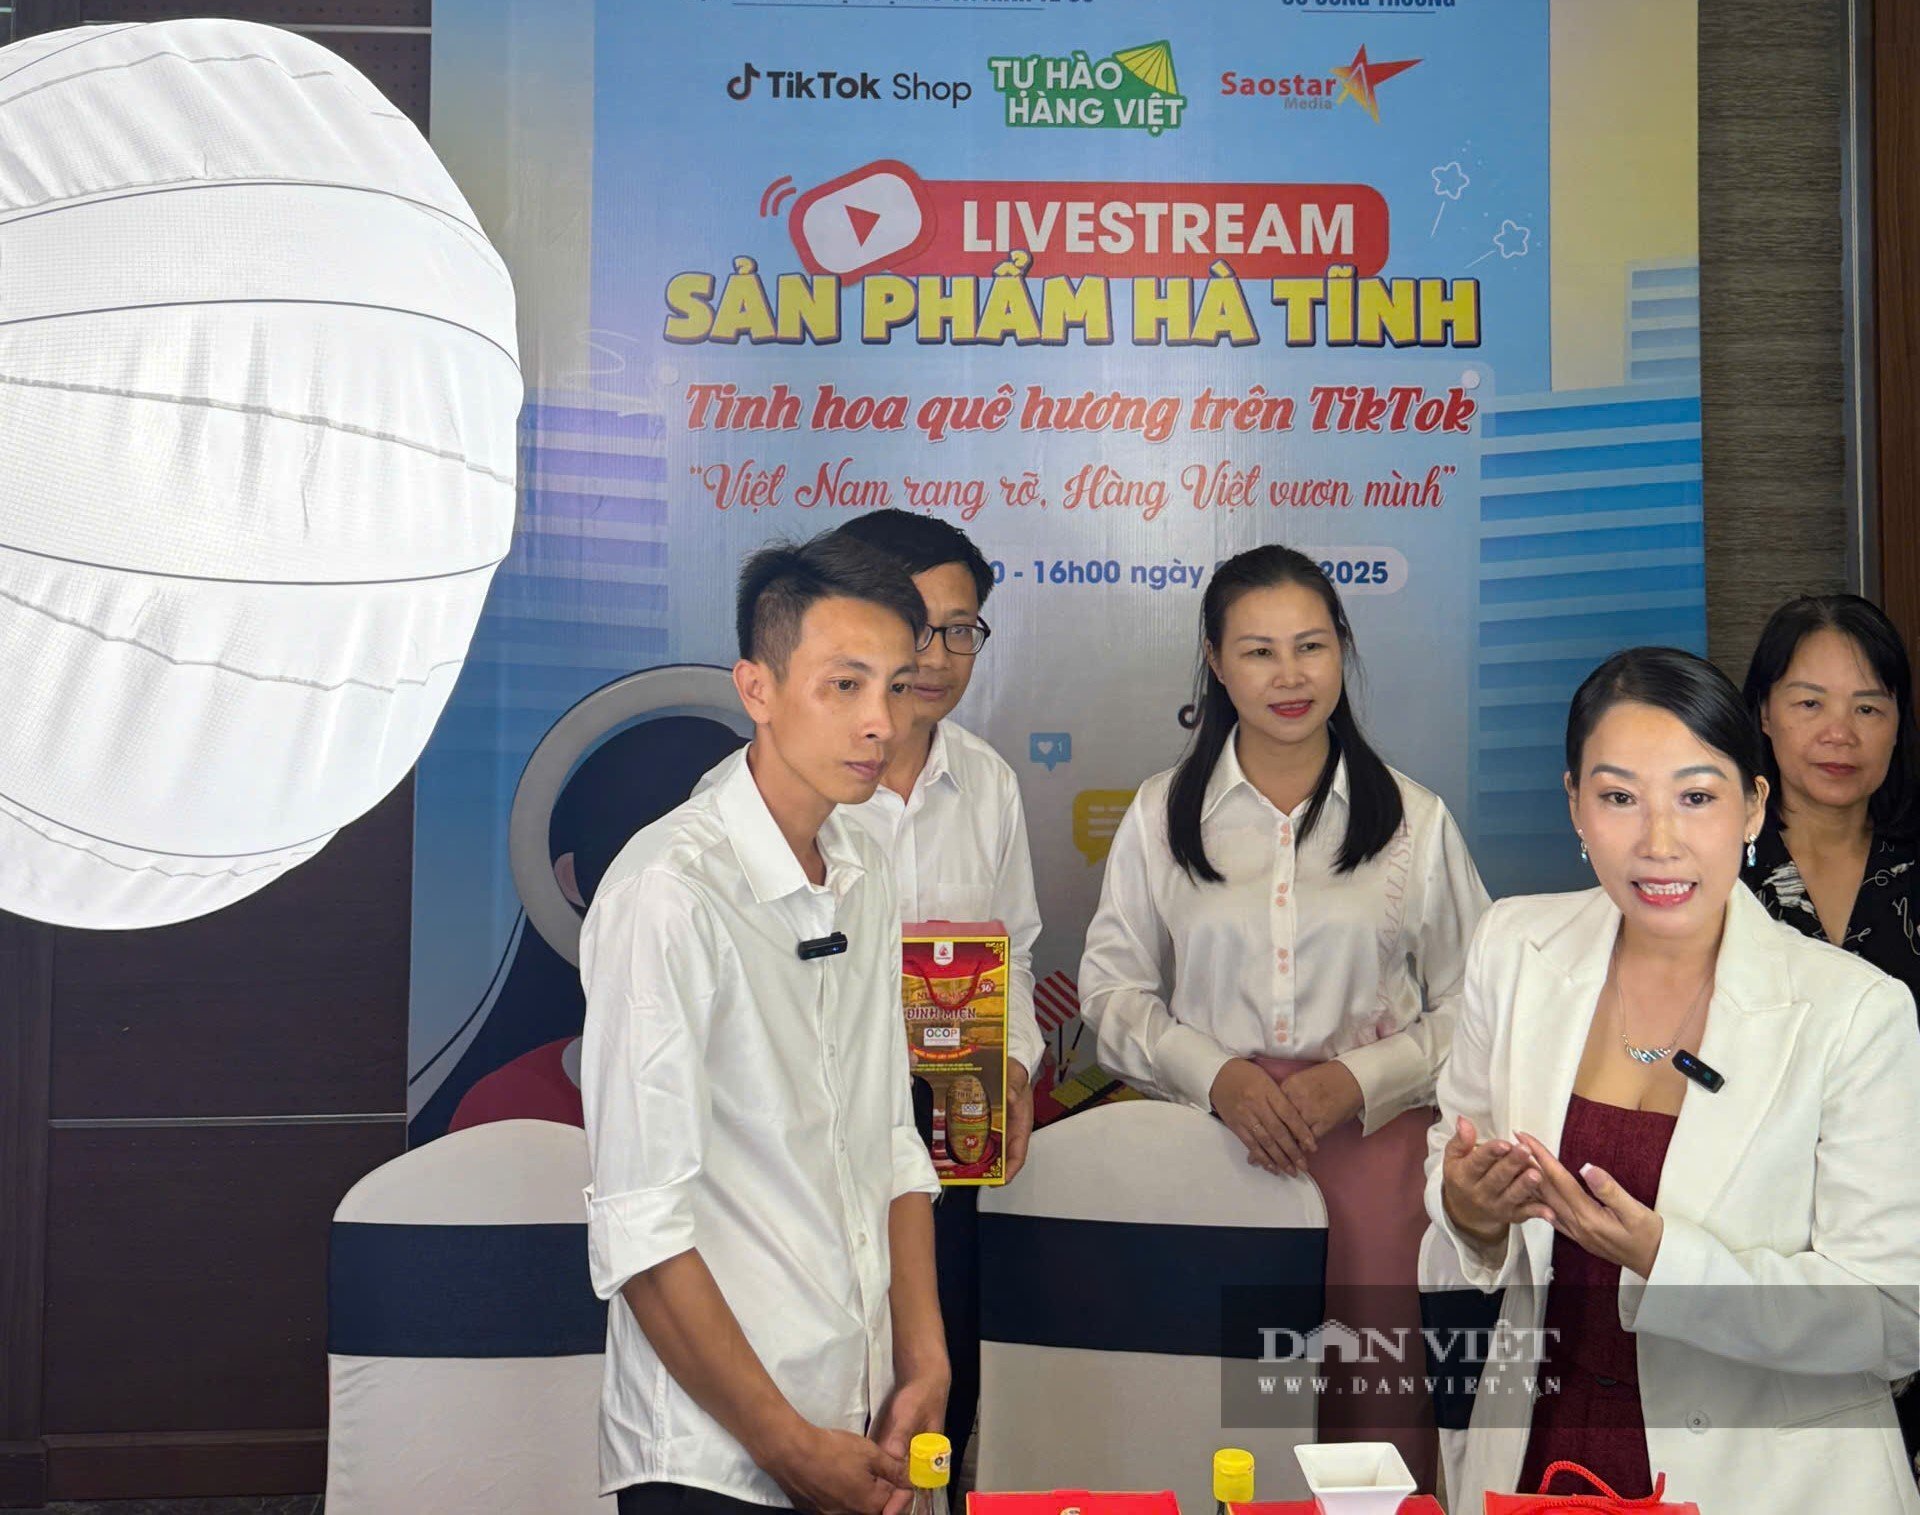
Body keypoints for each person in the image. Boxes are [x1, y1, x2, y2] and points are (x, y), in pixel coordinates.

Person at [1426, 646, 1920, 1513]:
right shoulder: (1513, 947)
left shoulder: (1854, 1011)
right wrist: (1468, 1209)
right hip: (1539, 1453)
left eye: (1696, 797)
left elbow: (1893, 1318)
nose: (1659, 842)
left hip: (1766, 1482)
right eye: (1619, 797)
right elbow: (1453, 1182)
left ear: (1752, 806)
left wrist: (1663, 1258)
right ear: (1575, 803)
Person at [1079, 544, 1488, 1490]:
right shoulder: (1161, 813)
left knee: (1370, 1417)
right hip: (1213, 1149)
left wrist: (1359, 1078)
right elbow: (1109, 989)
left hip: (1378, 1159)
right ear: (1216, 663)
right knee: (1218, 1408)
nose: (1289, 675)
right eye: (1258, 651)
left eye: (1310, 645)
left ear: (1342, 648)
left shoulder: (1415, 819)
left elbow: (1477, 1003)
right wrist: (1216, 1075)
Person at [579, 533, 947, 1515]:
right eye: (844, 685)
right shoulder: (668, 893)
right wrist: (788, 1445)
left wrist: (925, 1361)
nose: (880, 722)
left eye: (897, 688)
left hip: (860, 1414)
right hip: (712, 1452)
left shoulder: (864, 864)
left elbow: (892, 1137)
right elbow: (641, 1227)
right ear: (758, 688)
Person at [828, 509, 1044, 1481]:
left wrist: (1018, 1068)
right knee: (830, 1402)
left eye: (960, 629)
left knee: (937, 1409)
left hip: (947, 1141)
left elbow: (1018, 950)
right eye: (914, 625)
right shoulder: (786, 785)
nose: (937, 655)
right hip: (820, 1146)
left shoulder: (987, 783)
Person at [1740, 592, 1920, 1476]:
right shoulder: (1708, 873)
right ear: (1763, 713)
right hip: (1753, 1245)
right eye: (1809, 702)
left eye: (1869, 707)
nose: (1839, 732)